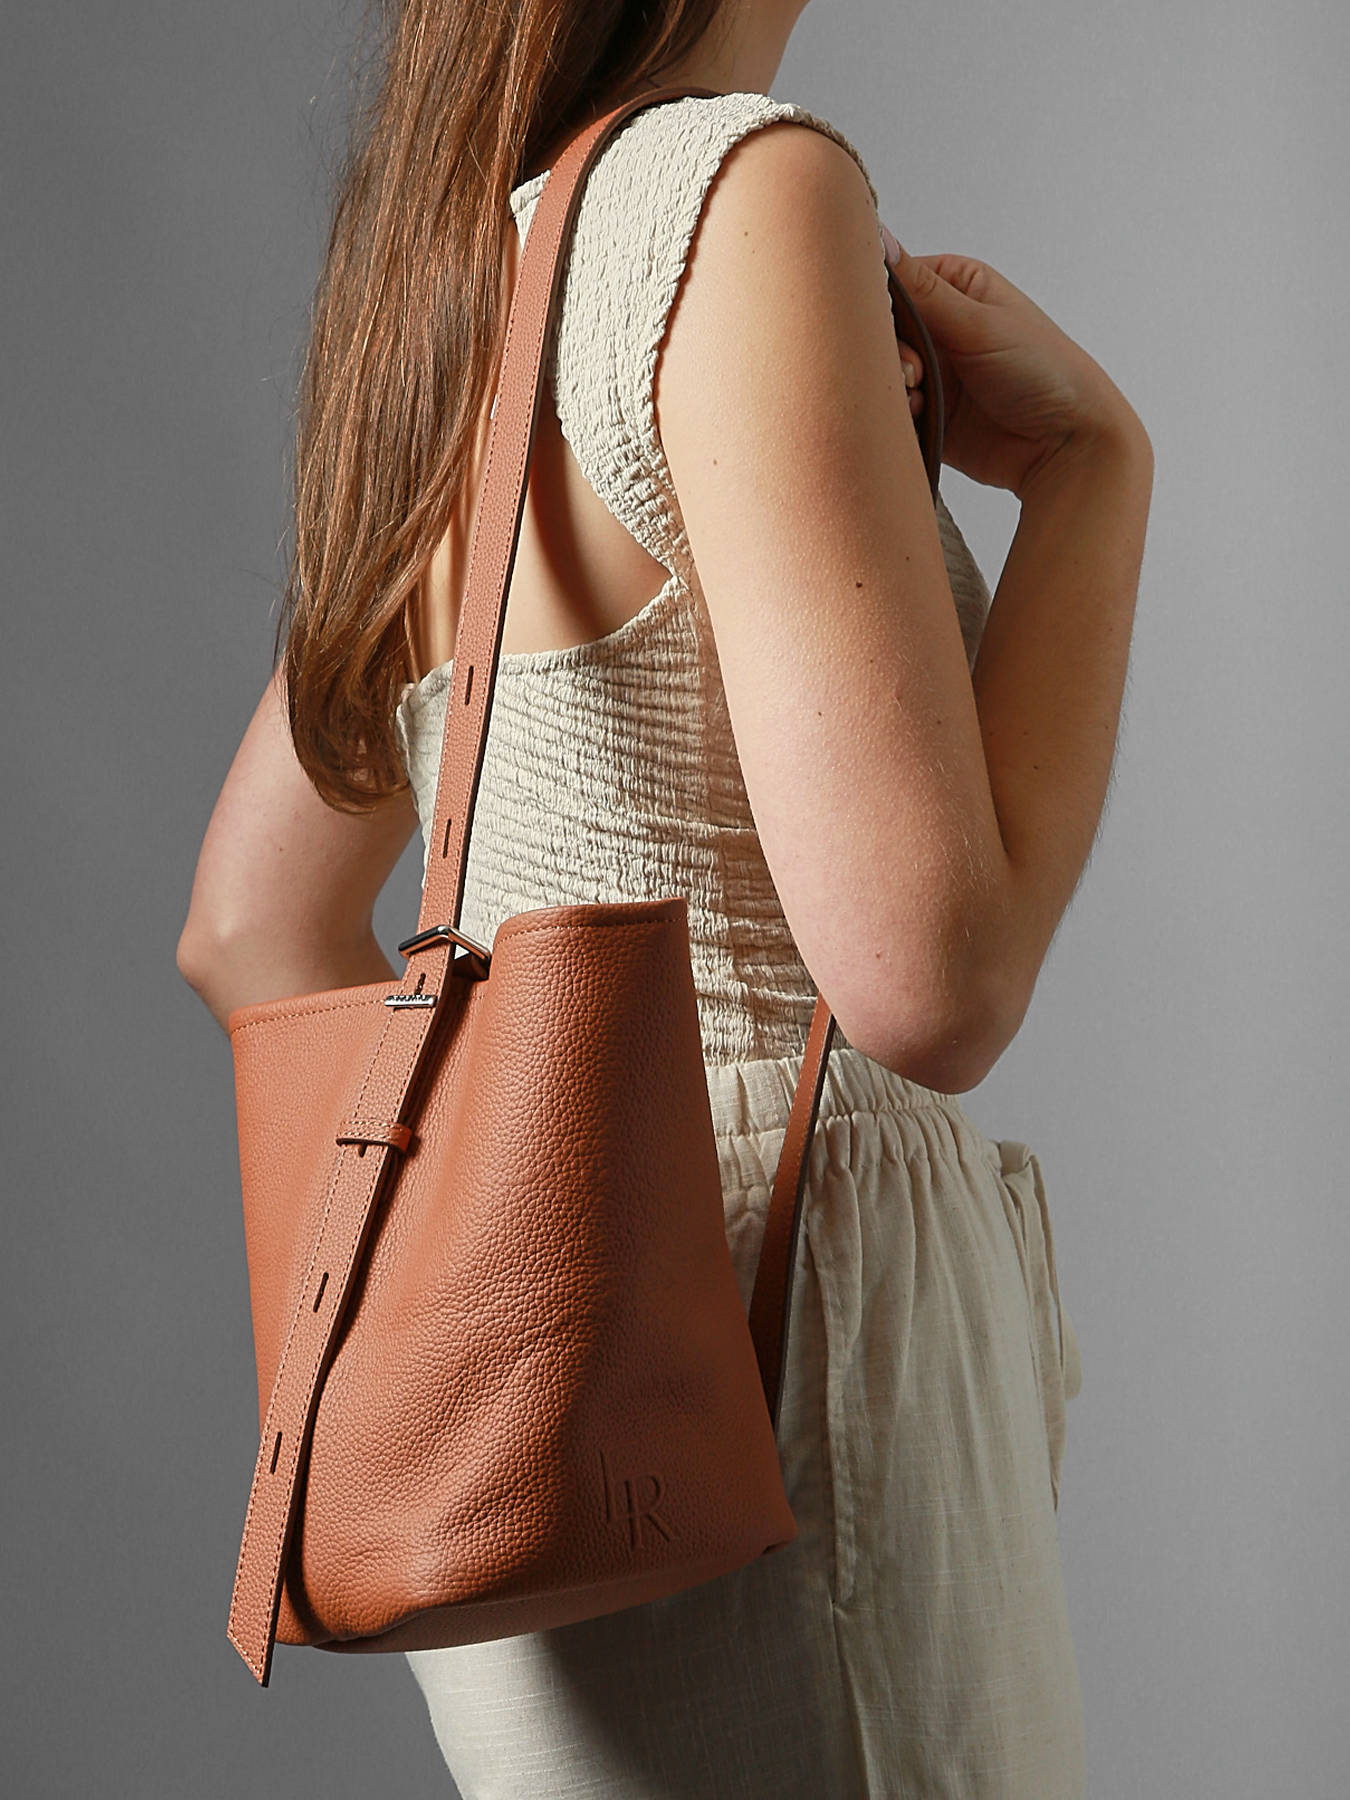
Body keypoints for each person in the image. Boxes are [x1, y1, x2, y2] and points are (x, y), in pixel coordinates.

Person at [178, 0, 1153, 1792]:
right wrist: (1094, 479)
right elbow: (931, 988)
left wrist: (483, 1228)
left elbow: (248, 925)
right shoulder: (736, 195)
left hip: (516, 1422)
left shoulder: (467, 279)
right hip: (777, 1351)